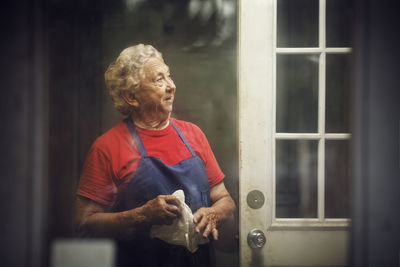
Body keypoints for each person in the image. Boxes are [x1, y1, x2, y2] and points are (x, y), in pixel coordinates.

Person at [74, 44, 236, 267]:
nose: (171, 86)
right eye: (159, 80)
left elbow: (224, 200)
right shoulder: (108, 147)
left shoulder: (193, 135)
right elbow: (85, 225)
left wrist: (214, 214)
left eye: (169, 76)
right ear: (131, 96)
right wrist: (142, 215)